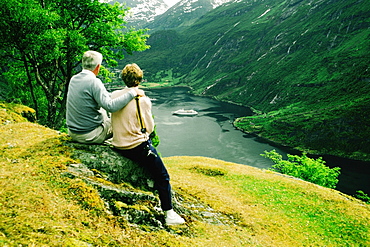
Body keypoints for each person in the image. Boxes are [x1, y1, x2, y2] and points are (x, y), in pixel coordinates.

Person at [111, 63, 185, 226]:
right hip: (136, 147)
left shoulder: (114, 95)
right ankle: (169, 214)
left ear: (123, 78)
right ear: (140, 79)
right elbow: (149, 128)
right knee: (163, 177)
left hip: (118, 145)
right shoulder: (142, 100)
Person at [66, 51, 144, 144]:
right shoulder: (94, 82)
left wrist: (121, 94)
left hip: (72, 132)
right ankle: (126, 145)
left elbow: (104, 96)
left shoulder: (74, 79)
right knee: (118, 120)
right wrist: (132, 92)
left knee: (103, 111)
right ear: (98, 67)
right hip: (89, 135)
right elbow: (111, 107)